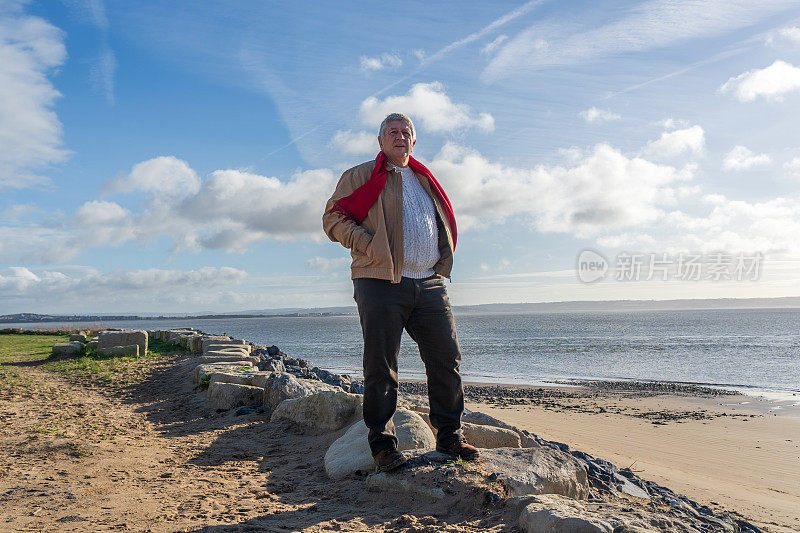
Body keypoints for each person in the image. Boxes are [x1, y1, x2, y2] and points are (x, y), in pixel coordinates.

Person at [322, 112, 478, 471]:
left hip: (429, 282)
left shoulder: (425, 179)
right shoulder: (361, 175)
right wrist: (366, 242)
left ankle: (450, 437)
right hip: (379, 281)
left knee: (446, 359)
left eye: (406, 132)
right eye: (392, 132)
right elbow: (332, 217)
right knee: (381, 365)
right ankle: (383, 445)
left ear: (413, 140)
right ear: (380, 141)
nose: (400, 136)